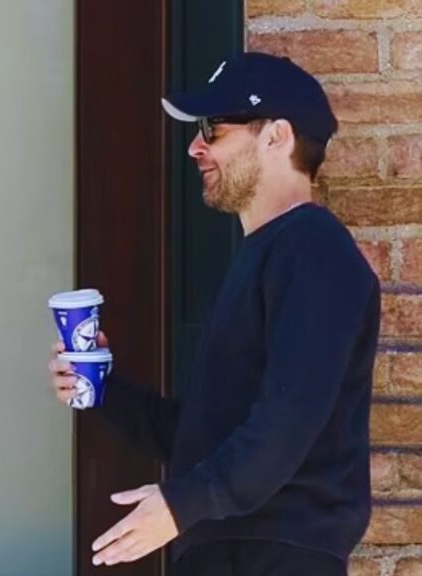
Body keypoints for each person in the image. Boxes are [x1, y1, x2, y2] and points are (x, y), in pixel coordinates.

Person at [49, 52, 381, 575]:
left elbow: (286, 422)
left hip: (273, 555)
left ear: (276, 136)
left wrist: (182, 506)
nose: (195, 147)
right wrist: (101, 386)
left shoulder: (314, 250)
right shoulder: (268, 255)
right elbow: (204, 438)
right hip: (233, 551)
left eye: (213, 128)